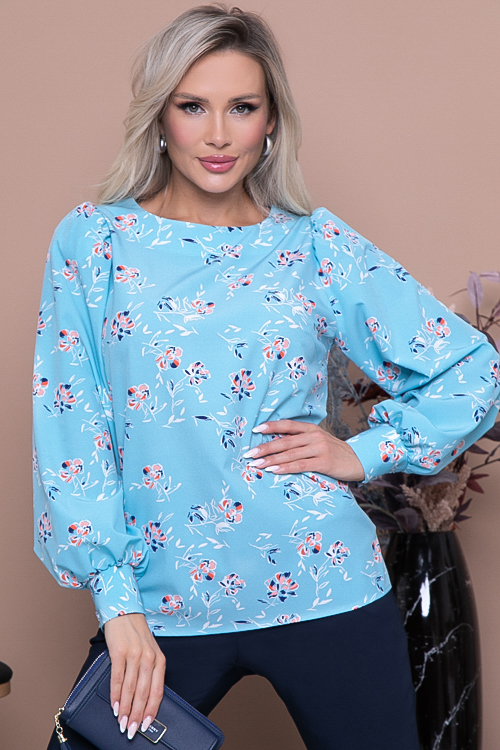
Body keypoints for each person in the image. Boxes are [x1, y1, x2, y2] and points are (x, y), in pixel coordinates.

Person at [34, 6, 499, 750]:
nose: (218, 134)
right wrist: (118, 605)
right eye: (193, 106)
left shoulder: (314, 245)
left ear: (271, 121)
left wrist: (363, 452)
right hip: (158, 601)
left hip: (323, 582)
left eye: (242, 107)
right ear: (160, 118)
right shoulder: (95, 241)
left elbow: (471, 370)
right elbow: (71, 424)